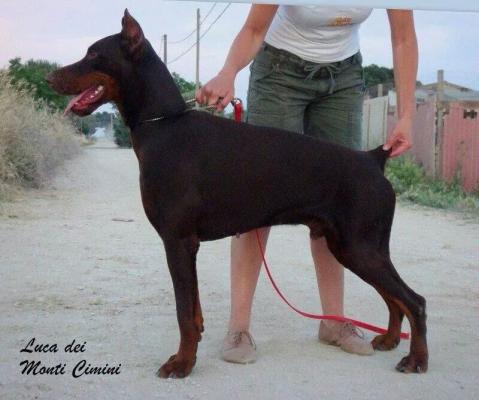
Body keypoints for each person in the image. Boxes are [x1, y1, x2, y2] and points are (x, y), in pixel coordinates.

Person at [196, 5, 418, 364]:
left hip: (343, 76)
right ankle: (238, 328)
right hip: (280, 72)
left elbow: (404, 38)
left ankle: (334, 322)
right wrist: (228, 72)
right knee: (257, 200)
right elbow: (254, 29)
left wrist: (406, 114)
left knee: (337, 198)